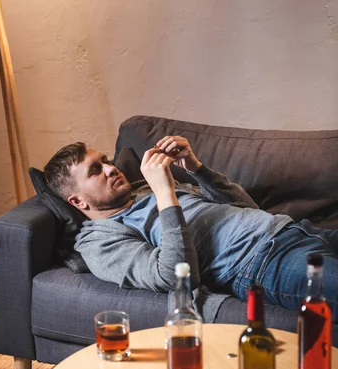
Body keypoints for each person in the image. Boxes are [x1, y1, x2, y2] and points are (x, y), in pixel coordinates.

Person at [44, 136, 338, 322]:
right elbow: (173, 276)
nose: (110, 169)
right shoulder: (99, 239)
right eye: (95, 171)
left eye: (105, 161)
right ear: (77, 200)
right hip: (264, 263)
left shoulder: (143, 189)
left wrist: (196, 168)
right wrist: (164, 193)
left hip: (295, 230)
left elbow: (248, 208)